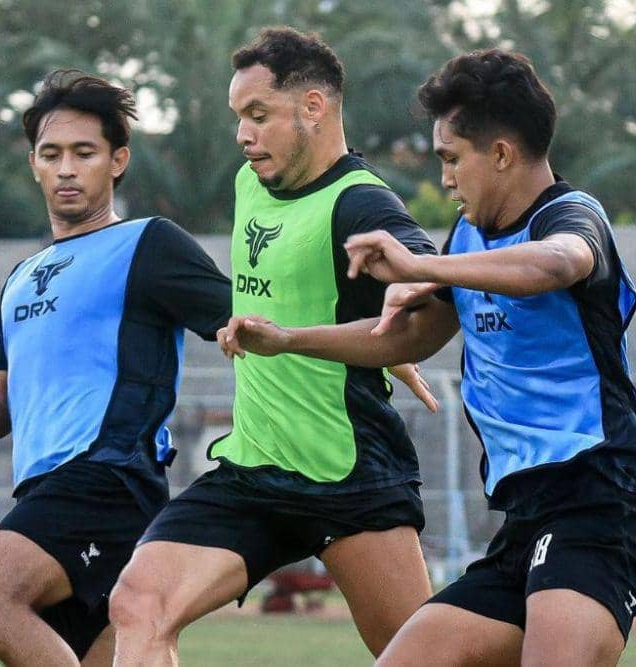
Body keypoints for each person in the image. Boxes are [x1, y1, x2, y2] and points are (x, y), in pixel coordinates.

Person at [219, 49, 636, 666]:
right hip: (525, 517)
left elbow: (561, 263)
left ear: (504, 154)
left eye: (452, 159)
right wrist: (289, 339)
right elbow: (402, 339)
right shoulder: (470, 238)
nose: (446, 179)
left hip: (602, 502)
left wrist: (422, 264)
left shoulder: (570, 215)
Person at [0, 70, 233, 666]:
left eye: (84, 153)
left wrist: (357, 346)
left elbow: (247, 321)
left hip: (107, 478)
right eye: (51, 154)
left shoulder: (149, 244)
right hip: (48, 489)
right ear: (34, 165)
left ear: (117, 161)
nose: (67, 168)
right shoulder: (22, 278)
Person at [108, 27, 439, 664]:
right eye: (239, 117)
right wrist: (377, 337)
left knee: (422, 657)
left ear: (313, 108)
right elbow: (296, 292)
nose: (243, 133)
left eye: (258, 115)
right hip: (253, 473)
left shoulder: (359, 202)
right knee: (138, 604)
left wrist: (408, 307)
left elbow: (419, 263)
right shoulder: (249, 184)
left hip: (349, 475)